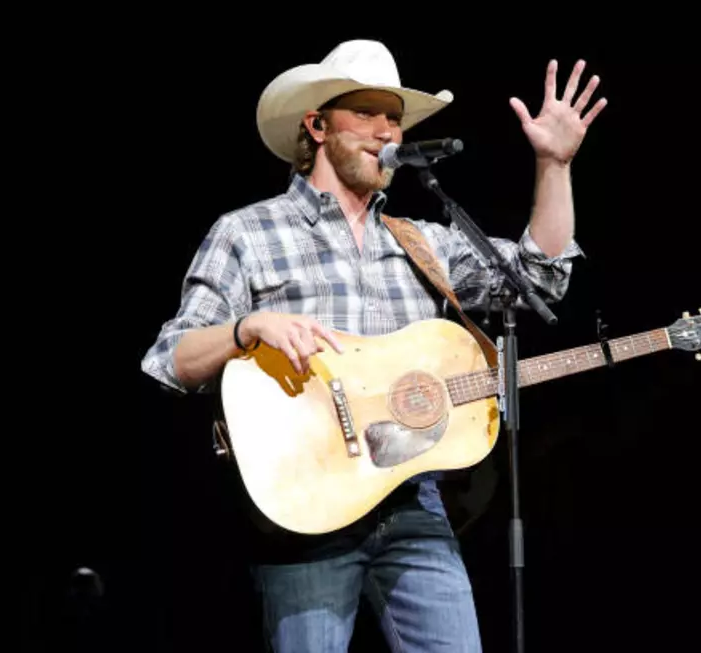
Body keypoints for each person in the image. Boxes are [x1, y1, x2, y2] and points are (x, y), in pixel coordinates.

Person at [141, 39, 606, 652]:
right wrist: (243, 329)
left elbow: (538, 276)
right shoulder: (248, 232)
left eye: (395, 118)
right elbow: (169, 360)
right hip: (303, 513)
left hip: (415, 508)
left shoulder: (421, 241)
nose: (386, 130)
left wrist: (555, 165)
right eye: (366, 113)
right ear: (317, 125)